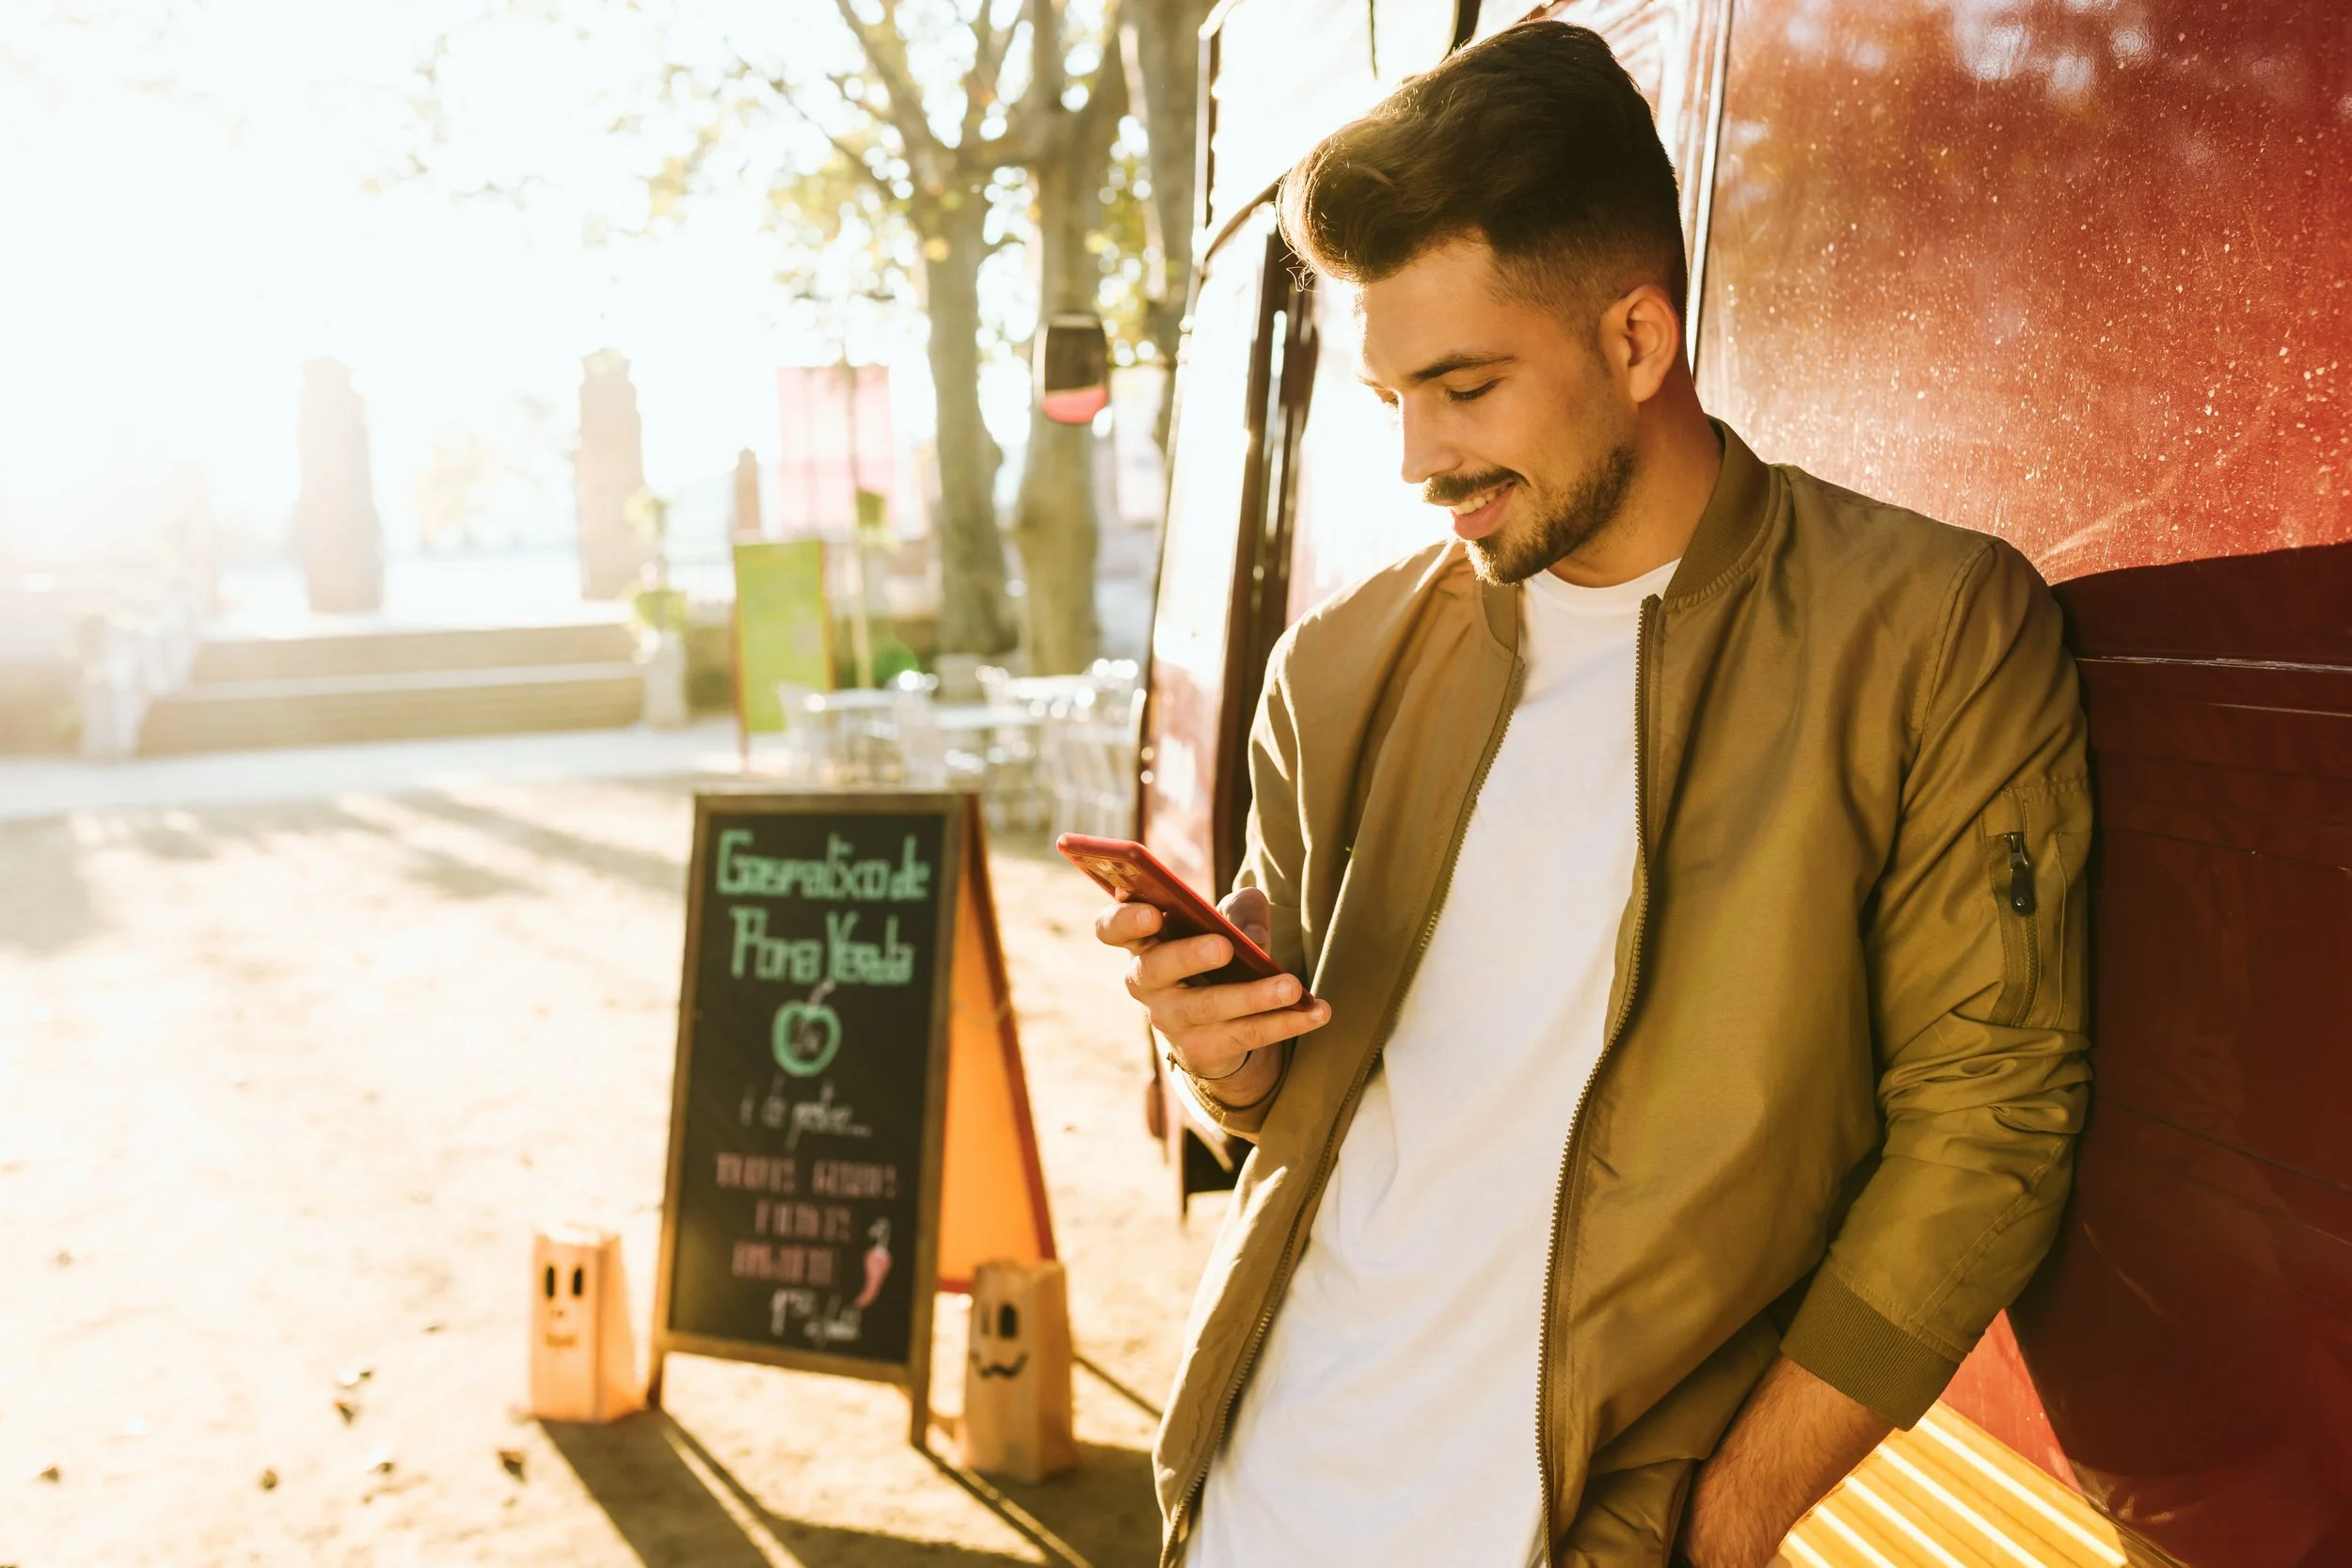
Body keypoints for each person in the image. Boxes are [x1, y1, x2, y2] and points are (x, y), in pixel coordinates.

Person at [1094, 21, 2092, 1568]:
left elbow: (1990, 1122)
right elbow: (1290, 1094)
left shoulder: (1931, 628)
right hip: (1256, 1498)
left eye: (1467, 385)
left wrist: (1729, 1517)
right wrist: (1218, 1045)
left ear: (1638, 342)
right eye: (1392, 398)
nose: (1419, 455)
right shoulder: (1335, 668)